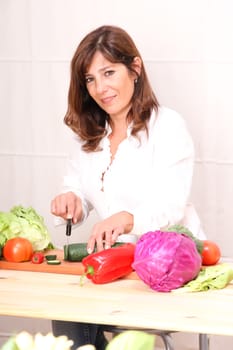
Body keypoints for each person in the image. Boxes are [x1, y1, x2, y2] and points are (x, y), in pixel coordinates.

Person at [50, 25, 205, 350]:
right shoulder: (89, 134)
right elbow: (77, 187)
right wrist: (71, 200)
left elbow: (172, 204)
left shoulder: (168, 127)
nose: (100, 88)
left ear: (135, 68)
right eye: (90, 79)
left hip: (163, 266)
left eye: (108, 72)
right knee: (64, 309)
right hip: (114, 263)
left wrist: (127, 218)